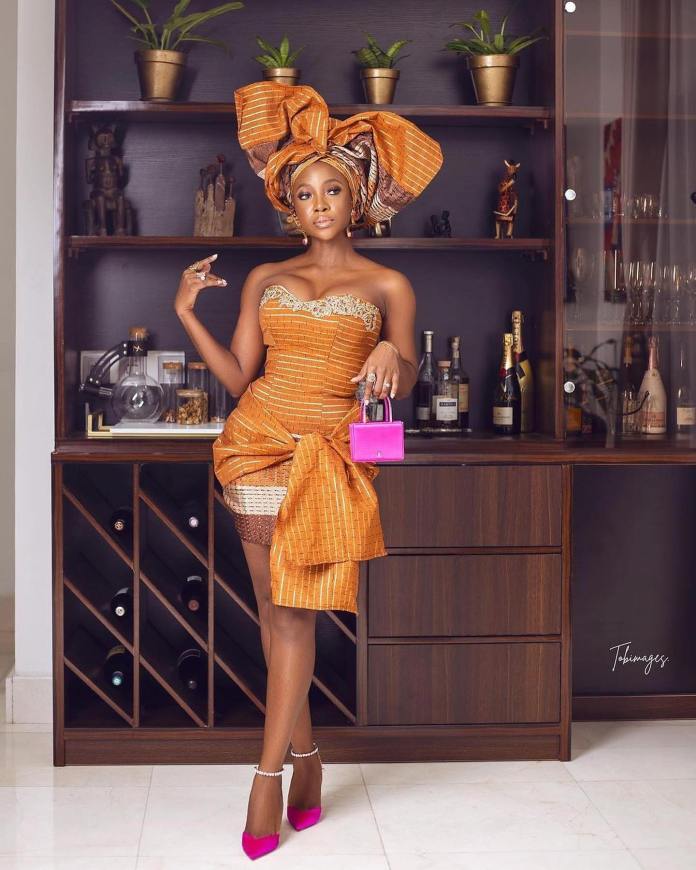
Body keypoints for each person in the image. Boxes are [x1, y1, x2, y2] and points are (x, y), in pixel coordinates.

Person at [174, 80, 443, 860]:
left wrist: (393, 350)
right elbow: (239, 379)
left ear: (356, 200)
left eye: (333, 191)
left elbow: (403, 383)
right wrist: (187, 311)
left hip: (330, 457)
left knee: (293, 616)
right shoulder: (266, 278)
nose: (319, 204)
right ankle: (309, 758)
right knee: (275, 614)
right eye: (305, 193)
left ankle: (270, 778)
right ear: (288, 205)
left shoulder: (388, 286)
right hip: (255, 447)